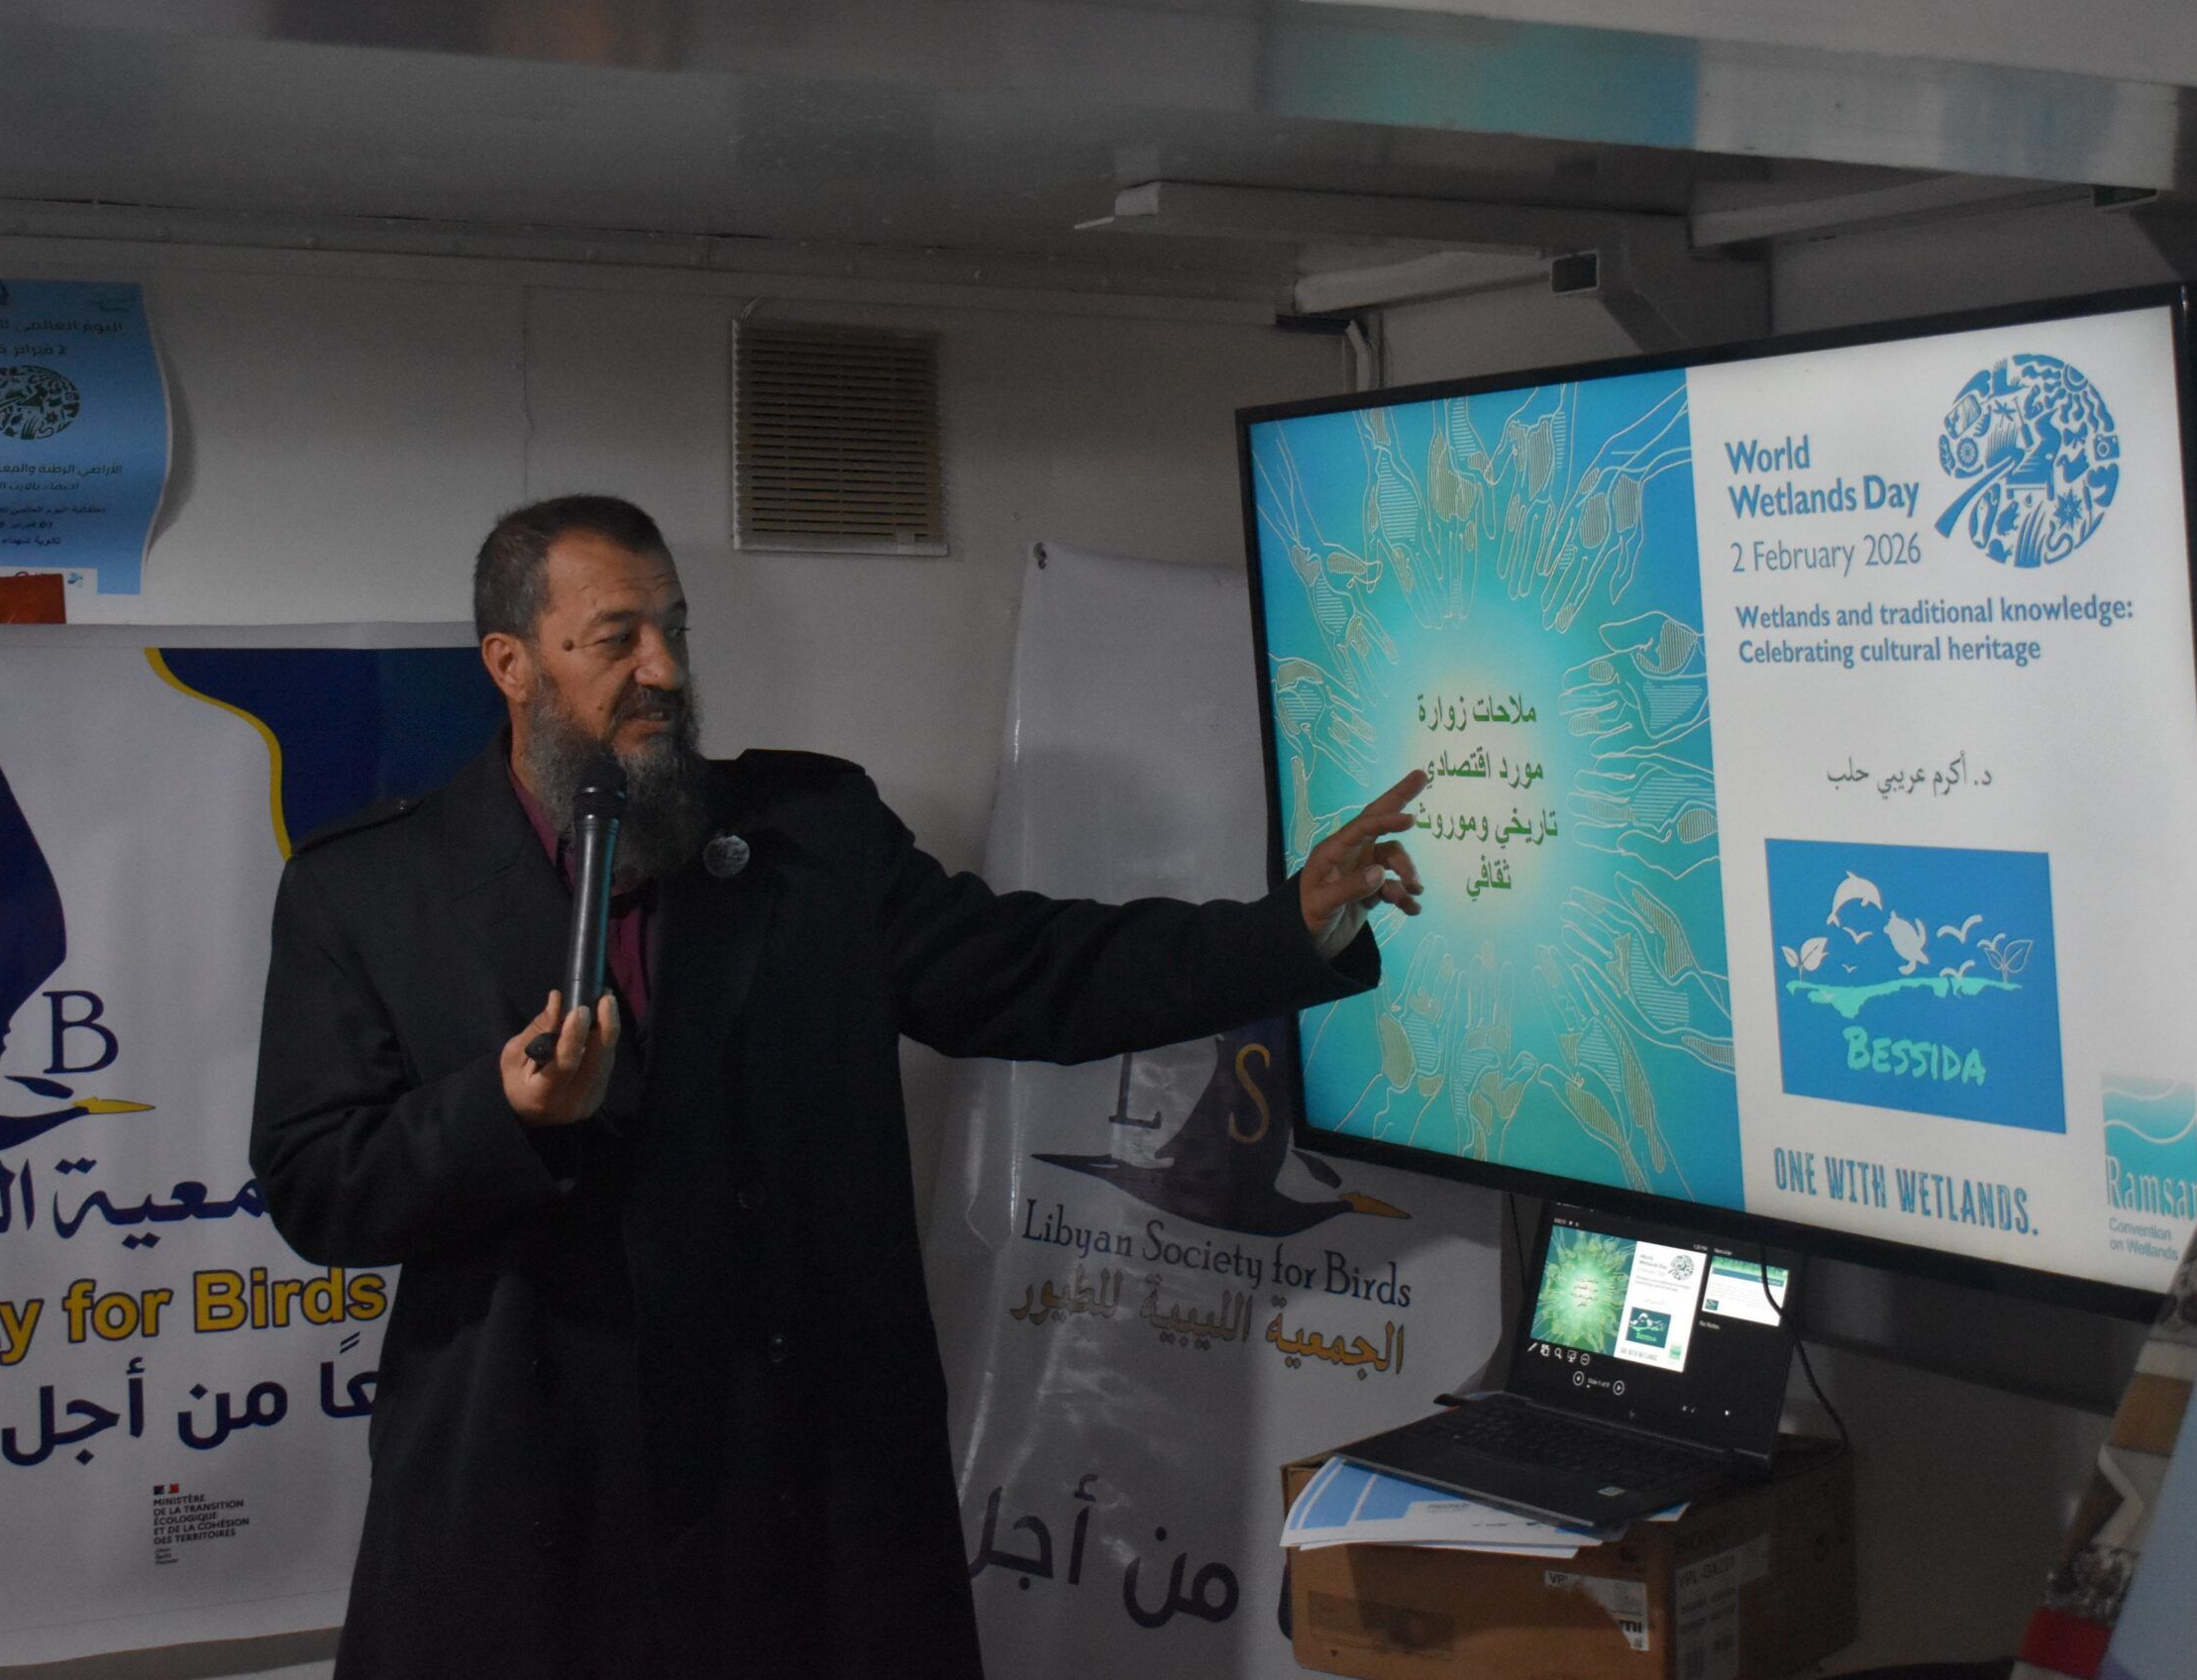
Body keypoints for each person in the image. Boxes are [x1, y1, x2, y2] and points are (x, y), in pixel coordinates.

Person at [251, 494, 1427, 1678]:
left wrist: (1289, 927)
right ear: (511, 663)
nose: (664, 671)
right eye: (617, 639)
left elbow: (1035, 971)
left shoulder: (810, 840)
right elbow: (316, 1181)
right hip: (530, 1514)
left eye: (674, 630)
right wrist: (504, 1117)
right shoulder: (367, 892)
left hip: (795, 1499)